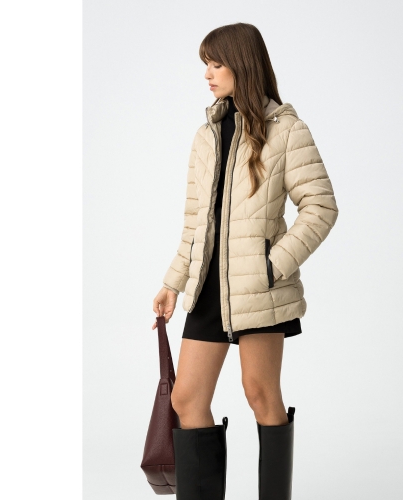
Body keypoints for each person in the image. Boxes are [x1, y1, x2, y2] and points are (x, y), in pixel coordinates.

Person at [152, 22, 339, 500]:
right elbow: (195, 222)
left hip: (260, 289)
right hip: (208, 288)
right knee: (186, 399)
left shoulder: (287, 130)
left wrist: (273, 265)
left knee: (260, 394)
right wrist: (173, 282)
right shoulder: (205, 135)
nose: (208, 74)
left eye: (217, 64)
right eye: (205, 65)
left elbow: (320, 207)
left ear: (243, 64)